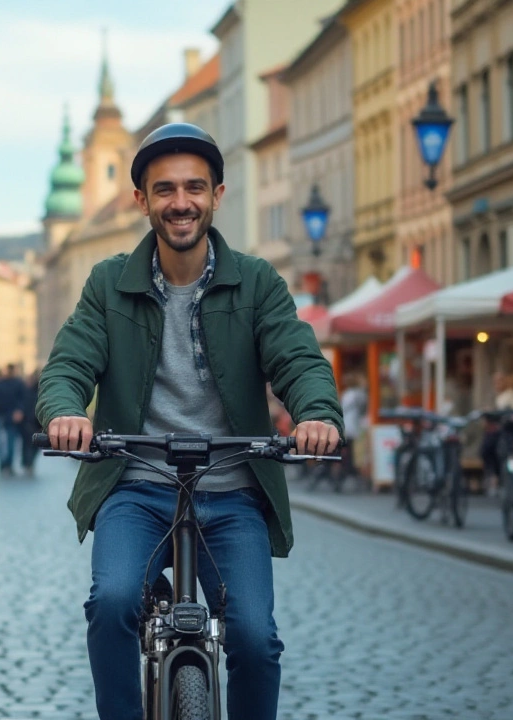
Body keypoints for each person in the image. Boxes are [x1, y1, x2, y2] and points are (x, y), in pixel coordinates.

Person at [36, 123, 342, 720]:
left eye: (195, 188)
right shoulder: (107, 283)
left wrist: (316, 414)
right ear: (142, 200)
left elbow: (296, 356)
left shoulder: (256, 282)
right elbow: (70, 360)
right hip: (135, 485)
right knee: (113, 602)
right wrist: (66, 410)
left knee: (255, 637)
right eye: (166, 189)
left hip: (232, 492)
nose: (181, 202)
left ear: (218, 196)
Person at [480, 372, 513, 485]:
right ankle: (494, 475)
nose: (498, 384)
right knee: (486, 448)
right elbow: (485, 414)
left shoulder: (512, 395)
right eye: (496, 381)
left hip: (509, 430)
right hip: (494, 431)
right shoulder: (491, 396)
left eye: (501, 381)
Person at [0, 364, 27, 475]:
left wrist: (20, 411)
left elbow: (23, 400)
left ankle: (8, 464)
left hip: (11, 417)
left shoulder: (19, 384)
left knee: (10, 442)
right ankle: (2, 460)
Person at [18, 369, 42, 477]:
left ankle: (28, 463)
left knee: (28, 444)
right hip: (35, 421)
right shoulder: (37, 392)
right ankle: (29, 463)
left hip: (30, 420)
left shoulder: (27, 391)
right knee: (33, 444)